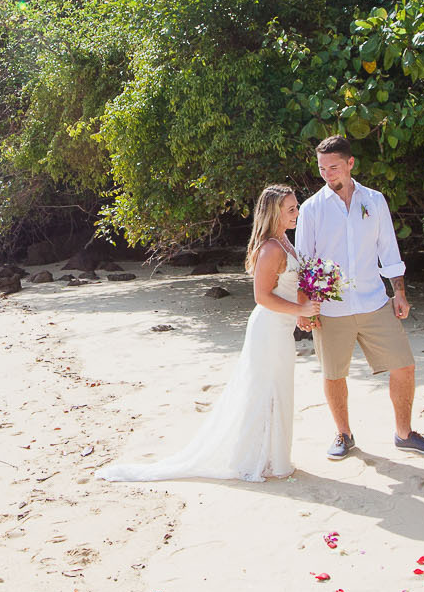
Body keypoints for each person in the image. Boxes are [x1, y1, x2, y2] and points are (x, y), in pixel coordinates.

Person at [98, 185, 322, 482]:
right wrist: (300, 312)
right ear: (274, 213)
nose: (297, 212)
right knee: (265, 391)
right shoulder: (270, 248)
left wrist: (302, 313)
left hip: (281, 328)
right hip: (268, 330)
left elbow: (289, 288)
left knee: (278, 390)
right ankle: (256, 460)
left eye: (296, 207)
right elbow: (262, 297)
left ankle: (274, 457)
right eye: (291, 209)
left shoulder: (285, 242)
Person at [294, 136, 424, 460]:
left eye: (333, 167)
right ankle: (344, 435)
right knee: (334, 375)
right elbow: (305, 261)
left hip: (375, 301)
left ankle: (404, 434)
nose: (328, 174)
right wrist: (303, 308)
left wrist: (399, 292)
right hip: (331, 308)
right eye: (322, 169)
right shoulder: (311, 209)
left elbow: (388, 249)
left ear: (350, 164)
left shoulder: (374, 201)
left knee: (404, 366)